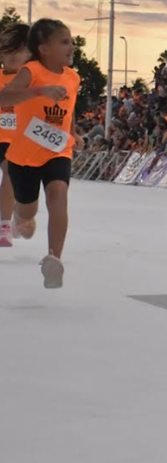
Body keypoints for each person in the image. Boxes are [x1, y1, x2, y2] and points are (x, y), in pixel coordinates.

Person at [0, 19, 79, 288]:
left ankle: (54, 259)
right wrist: (40, 91)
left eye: (71, 40)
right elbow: (4, 98)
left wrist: (74, 132)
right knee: (27, 211)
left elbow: (69, 111)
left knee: (58, 194)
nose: (71, 46)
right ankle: (20, 217)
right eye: (64, 41)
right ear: (44, 49)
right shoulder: (30, 71)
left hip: (58, 150)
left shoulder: (73, 77)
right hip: (23, 156)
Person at [0, 23, 31, 247]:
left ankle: (5, 224)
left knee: (10, 175)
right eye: (6, 50)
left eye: (18, 51)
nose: (11, 56)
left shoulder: (32, 81)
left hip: (17, 140)